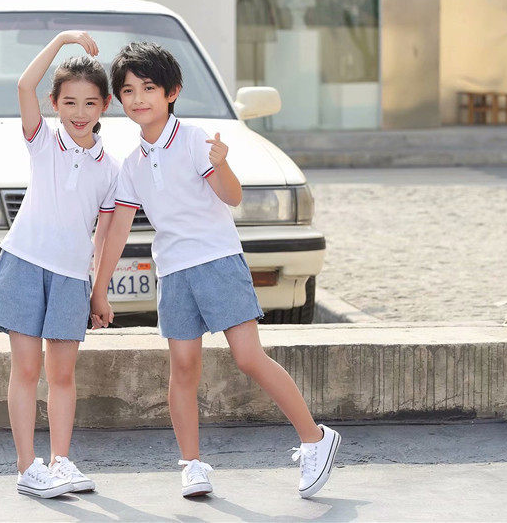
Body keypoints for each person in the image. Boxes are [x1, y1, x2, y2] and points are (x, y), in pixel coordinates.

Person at [90, 42, 340, 499]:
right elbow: (118, 230)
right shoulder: (131, 164)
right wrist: (99, 289)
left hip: (218, 261)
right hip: (173, 273)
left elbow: (232, 197)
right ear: (119, 99)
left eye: (149, 88)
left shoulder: (194, 140)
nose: (139, 98)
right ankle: (192, 465)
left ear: (172, 92)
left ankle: (316, 438)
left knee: (248, 357)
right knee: (183, 368)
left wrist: (222, 165)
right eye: (128, 90)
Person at [0, 31, 119, 499]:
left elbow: (103, 235)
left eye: (90, 103)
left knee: (62, 375)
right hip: (24, 264)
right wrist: (61, 41)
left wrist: (98, 291)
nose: (80, 112)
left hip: (71, 278)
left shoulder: (110, 169)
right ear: (54, 103)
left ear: (106, 106)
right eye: (69, 102)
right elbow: (24, 85)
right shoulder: (42, 141)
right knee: (25, 369)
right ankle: (26, 468)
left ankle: (60, 461)